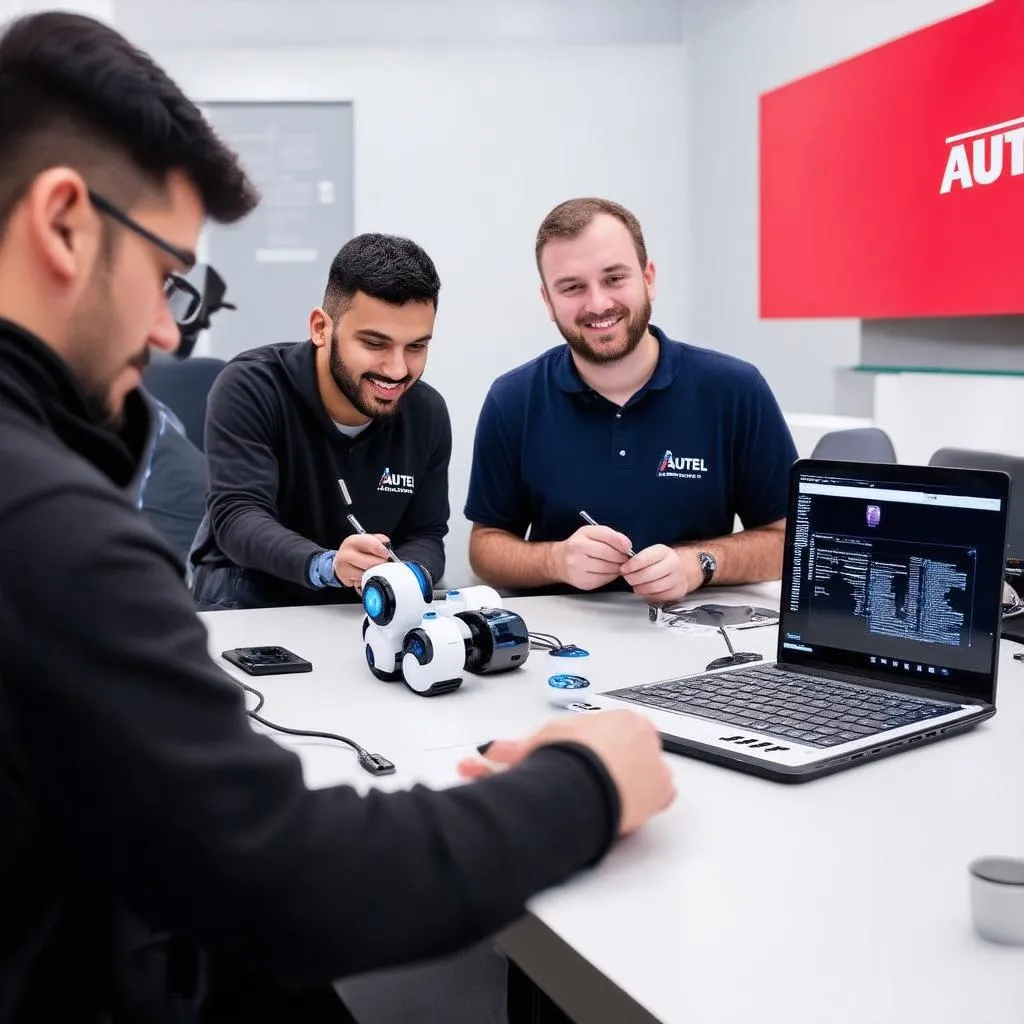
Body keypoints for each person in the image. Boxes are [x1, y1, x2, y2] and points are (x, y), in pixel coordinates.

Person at [0, 14, 675, 1024]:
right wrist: (586, 779)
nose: (162, 328)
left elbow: (426, 538)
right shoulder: (50, 523)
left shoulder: (45, 485)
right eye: (166, 277)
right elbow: (295, 881)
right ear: (63, 223)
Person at [465, 197, 799, 603]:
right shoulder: (512, 399)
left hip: (698, 632)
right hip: (559, 638)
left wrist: (700, 564)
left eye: (614, 278)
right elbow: (485, 548)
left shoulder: (735, 389)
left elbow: (791, 542)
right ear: (548, 302)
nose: (598, 304)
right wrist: (556, 560)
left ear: (649, 278)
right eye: (572, 287)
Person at [188, 233, 451, 610]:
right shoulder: (251, 387)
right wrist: (328, 566)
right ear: (320, 328)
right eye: (375, 344)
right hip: (247, 607)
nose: (397, 370)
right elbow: (238, 518)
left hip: (362, 613)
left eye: (416, 346)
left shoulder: (427, 413)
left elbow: (426, 533)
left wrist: (409, 575)